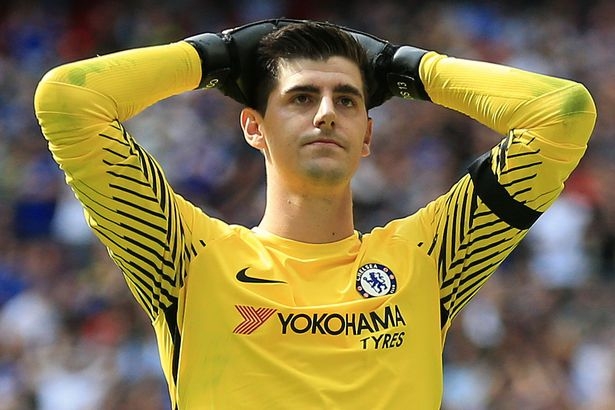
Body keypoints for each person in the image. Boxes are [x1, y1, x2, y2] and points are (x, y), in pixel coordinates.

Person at [34, 18, 596, 409]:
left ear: (367, 135)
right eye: (301, 97)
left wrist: (402, 67)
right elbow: (68, 99)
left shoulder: (428, 260)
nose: (327, 113)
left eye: (347, 99)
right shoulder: (186, 259)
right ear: (254, 126)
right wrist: (214, 56)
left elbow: (562, 113)